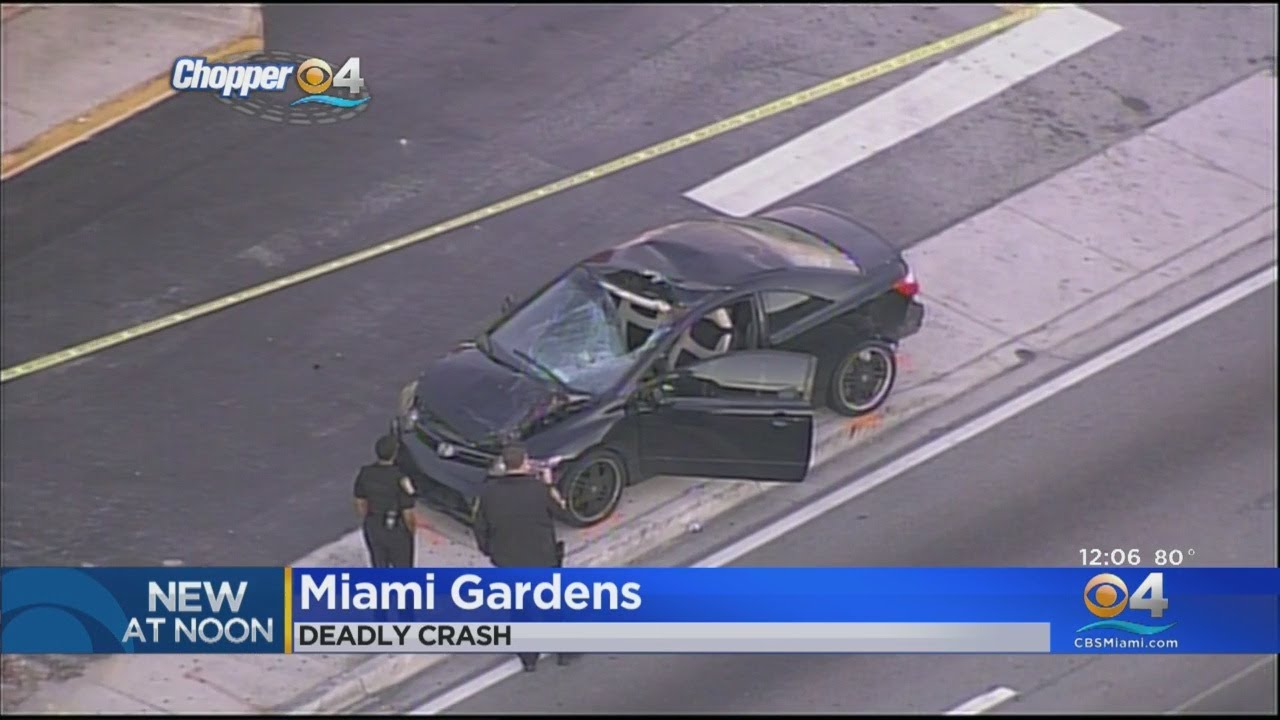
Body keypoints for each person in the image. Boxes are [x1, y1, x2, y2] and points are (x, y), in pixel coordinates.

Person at [472, 442, 570, 672]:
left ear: (504, 465)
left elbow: (480, 528)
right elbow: (562, 510)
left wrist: (491, 552)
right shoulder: (538, 490)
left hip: (508, 562)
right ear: (525, 463)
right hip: (542, 558)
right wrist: (548, 483)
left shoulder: (488, 493)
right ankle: (564, 651)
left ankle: (528, 659)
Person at [354, 434, 418, 568]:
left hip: (374, 526)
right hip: (396, 530)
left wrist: (372, 519)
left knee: (379, 565)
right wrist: (410, 532)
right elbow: (408, 515)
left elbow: (361, 504)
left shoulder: (365, 473)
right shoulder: (401, 478)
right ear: (395, 454)